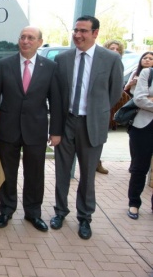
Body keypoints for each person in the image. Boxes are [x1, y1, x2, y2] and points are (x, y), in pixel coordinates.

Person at [50, 15, 124, 240]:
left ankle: (85, 218)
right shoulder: (62, 59)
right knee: (62, 171)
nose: (77, 35)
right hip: (67, 122)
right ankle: (60, 212)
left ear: (95, 33)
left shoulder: (110, 58)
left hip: (92, 124)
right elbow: (58, 94)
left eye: (83, 31)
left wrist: (96, 112)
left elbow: (114, 93)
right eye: (75, 30)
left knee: (87, 175)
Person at [0, 26, 62, 232]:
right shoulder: (4, 65)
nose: (25, 41)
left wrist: (56, 131)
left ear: (40, 42)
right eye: (22, 37)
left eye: (31, 38)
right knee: (7, 173)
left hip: (36, 129)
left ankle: (33, 213)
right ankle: (6, 210)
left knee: (35, 174)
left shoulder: (50, 67)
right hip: (8, 128)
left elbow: (56, 101)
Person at [126, 66, 153, 220]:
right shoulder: (148, 73)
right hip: (143, 127)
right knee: (139, 168)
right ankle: (134, 203)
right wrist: (147, 99)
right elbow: (140, 99)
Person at [98, 39, 128, 174]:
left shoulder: (118, 64)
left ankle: (96, 162)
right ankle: (95, 161)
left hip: (108, 107)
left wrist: (107, 105)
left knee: (102, 136)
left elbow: (117, 88)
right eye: (112, 48)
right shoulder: (100, 63)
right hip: (99, 106)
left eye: (117, 49)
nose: (115, 51)